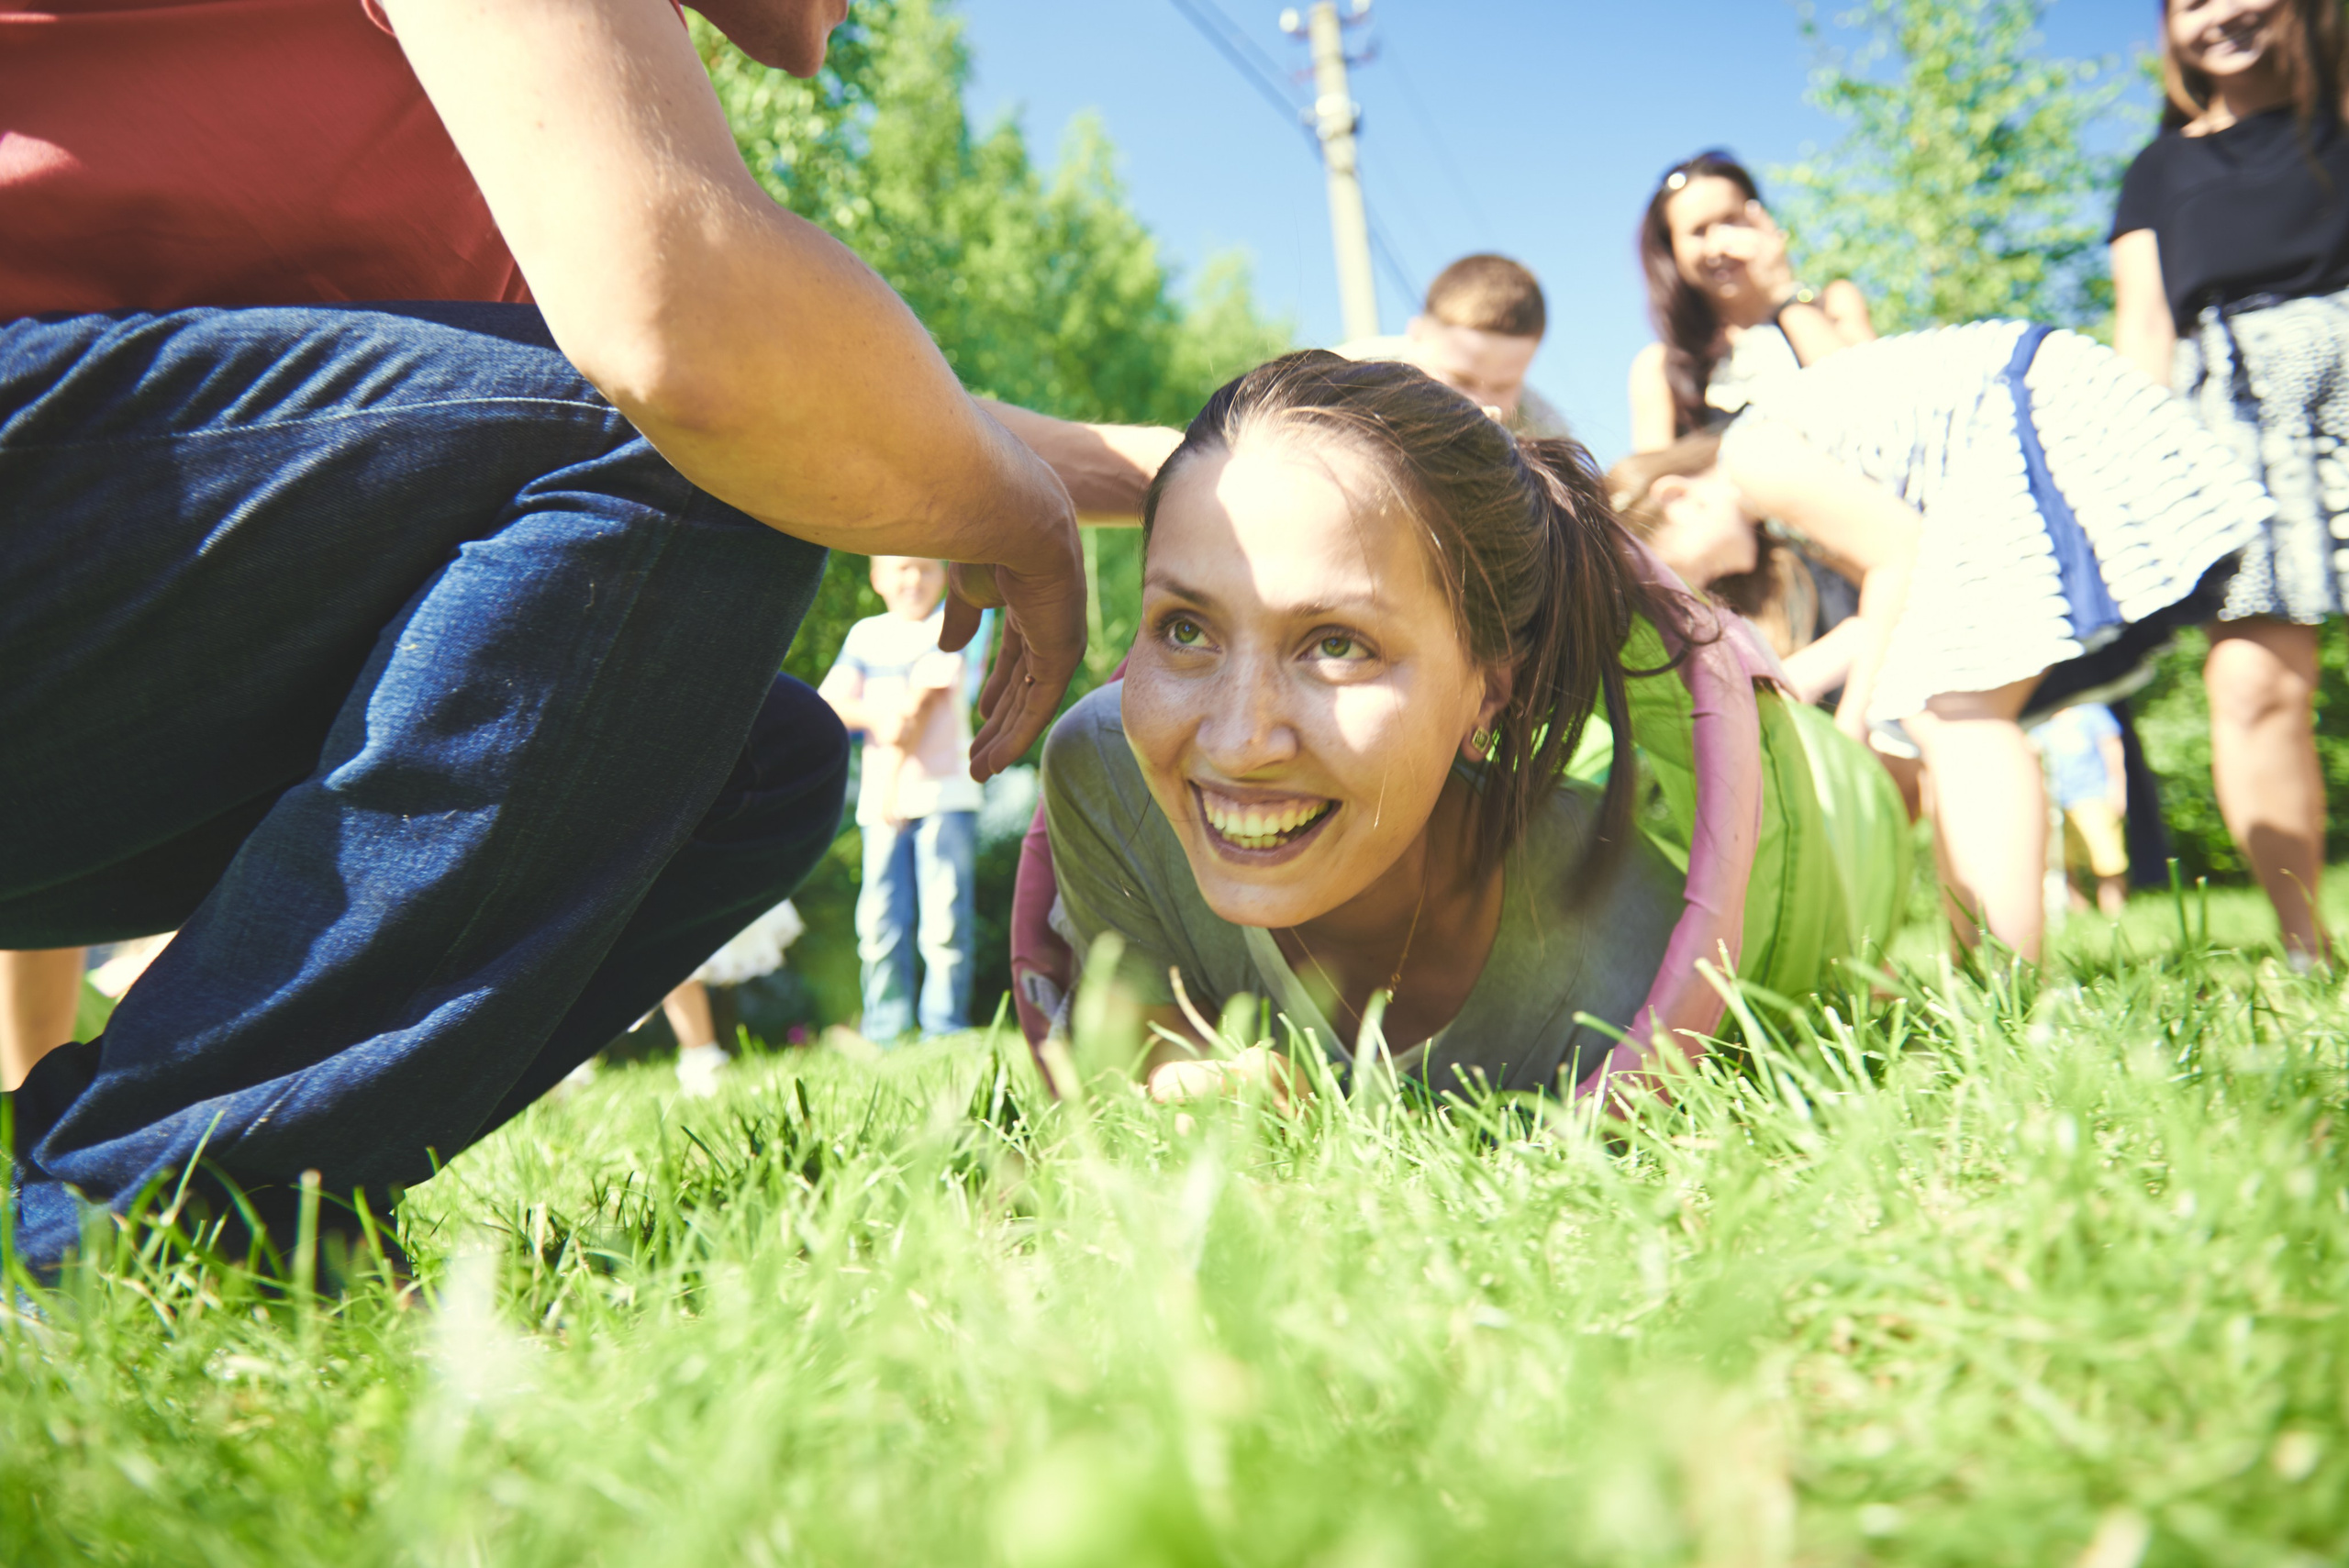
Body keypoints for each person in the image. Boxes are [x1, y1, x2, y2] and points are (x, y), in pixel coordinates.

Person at [0, 0, 1179, 1277]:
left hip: (84, 653)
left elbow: (839, 386)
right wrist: (1023, 519)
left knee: (750, 763)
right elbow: (704, 344)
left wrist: (1218, 469)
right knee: (730, 439)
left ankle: (199, 1195)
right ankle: (136, 1208)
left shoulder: (536, 126)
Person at [1033, 351, 1905, 1105]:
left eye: (1336, 645)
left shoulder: (1627, 971)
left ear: (1490, 691)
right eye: (1186, 629)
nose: (1235, 741)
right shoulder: (1110, 776)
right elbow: (1131, 1062)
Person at [1603, 318, 2270, 961]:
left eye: (1682, 569)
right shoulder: (1773, 489)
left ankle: (2005, 971)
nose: (1702, 581)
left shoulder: (1751, 459)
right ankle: (1978, 960)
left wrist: (1854, 719)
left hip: (2031, 411)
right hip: (2030, 411)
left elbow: (1899, 556)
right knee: (1935, 712)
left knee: (1956, 712)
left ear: (1676, 497)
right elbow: (1887, 614)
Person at [2110, 0, 2349, 965]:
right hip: (2233, 422)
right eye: (2191, 1)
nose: (2222, 13)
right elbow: (2143, 324)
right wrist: (2135, 462)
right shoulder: (2159, 169)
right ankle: (2305, 950)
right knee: (2251, 681)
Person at [818, 557, 983, 1042]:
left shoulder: (951, 627)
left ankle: (944, 1025)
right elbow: (829, 704)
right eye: (902, 568)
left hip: (943, 794)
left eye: (926, 569)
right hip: (883, 803)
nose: (914, 579)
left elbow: (919, 708)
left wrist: (889, 775)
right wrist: (875, 716)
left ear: (944, 575)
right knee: (880, 917)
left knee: (945, 918)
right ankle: (885, 1026)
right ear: (878, 578)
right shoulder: (865, 636)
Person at [1628, 150, 1876, 454]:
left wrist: (1783, 294)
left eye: (1731, 221)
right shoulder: (1660, 368)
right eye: (1698, 232)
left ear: (1760, 219)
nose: (1719, 246)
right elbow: (1651, 474)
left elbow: (1872, 404)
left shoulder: (1836, 305)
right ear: (1672, 252)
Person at [1337, 254, 1575, 439]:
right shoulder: (1343, 377)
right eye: (1462, 380)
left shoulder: (1544, 431)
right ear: (1416, 337)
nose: (1480, 405)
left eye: (1502, 387)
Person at [2032, 706, 2132, 918]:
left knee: (2107, 858)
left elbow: (2112, 748)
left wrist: (2118, 788)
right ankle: (2080, 916)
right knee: (2063, 861)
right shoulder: (2039, 714)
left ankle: (2114, 914)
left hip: (2093, 795)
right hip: (2055, 800)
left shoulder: (2092, 710)